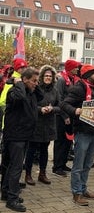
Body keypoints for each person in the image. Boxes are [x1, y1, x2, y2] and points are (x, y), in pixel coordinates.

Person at [1, 67, 43, 212]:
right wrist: (18, 83)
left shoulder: (30, 92)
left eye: (37, 81)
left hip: (24, 134)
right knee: (16, 167)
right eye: (33, 81)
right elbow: (19, 97)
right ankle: (12, 199)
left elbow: (41, 96)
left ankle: (7, 193)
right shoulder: (15, 91)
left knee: (12, 166)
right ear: (24, 80)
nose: (36, 84)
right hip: (15, 135)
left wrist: (30, 84)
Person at [61, 64, 94, 206]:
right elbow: (64, 104)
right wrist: (76, 110)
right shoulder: (79, 88)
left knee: (88, 164)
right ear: (88, 75)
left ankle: (83, 188)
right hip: (82, 131)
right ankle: (76, 193)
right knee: (78, 165)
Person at [24, 65, 60, 186]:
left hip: (49, 124)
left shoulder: (55, 90)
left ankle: (42, 173)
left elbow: (60, 106)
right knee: (31, 149)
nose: (48, 78)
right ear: (42, 76)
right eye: (46, 75)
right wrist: (40, 109)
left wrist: (52, 108)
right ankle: (28, 174)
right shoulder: (36, 88)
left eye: (50, 76)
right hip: (36, 123)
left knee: (44, 149)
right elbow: (30, 104)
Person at [52, 59, 81, 177]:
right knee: (60, 141)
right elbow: (59, 100)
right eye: (75, 67)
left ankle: (63, 163)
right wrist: (64, 116)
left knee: (68, 141)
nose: (77, 69)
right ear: (70, 68)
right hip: (61, 116)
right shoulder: (62, 80)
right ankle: (57, 166)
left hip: (71, 115)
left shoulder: (74, 80)